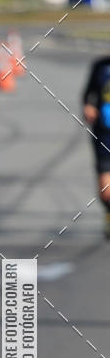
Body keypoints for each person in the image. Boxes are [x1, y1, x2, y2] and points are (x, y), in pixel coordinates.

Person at [83, 55, 110, 238]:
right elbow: (88, 95)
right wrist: (88, 107)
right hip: (104, 133)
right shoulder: (100, 66)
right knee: (105, 190)